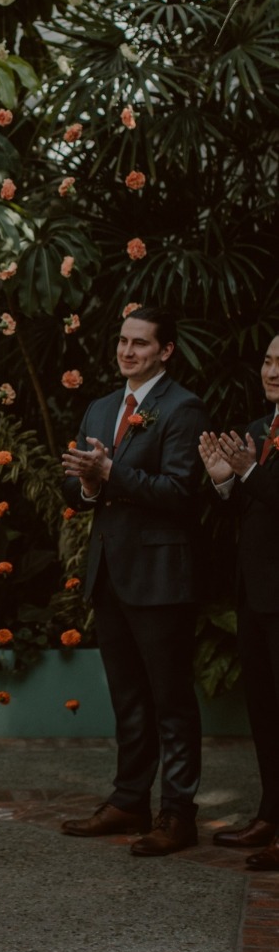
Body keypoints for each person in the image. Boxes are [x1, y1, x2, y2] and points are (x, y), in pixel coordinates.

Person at [60, 307, 208, 856]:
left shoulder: (182, 408)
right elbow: (74, 490)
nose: (127, 352)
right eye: (122, 341)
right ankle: (129, 800)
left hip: (161, 574)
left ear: (165, 351)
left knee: (170, 700)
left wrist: (111, 475)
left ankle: (178, 813)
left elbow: (179, 493)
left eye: (140, 344)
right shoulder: (101, 408)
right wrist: (91, 486)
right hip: (110, 572)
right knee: (128, 698)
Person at [199, 333, 279, 870]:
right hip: (255, 592)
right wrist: (224, 483)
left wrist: (250, 473)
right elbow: (251, 511)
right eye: (270, 361)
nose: (272, 371)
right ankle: (271, 814)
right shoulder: (256, 430)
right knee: (265, 711)